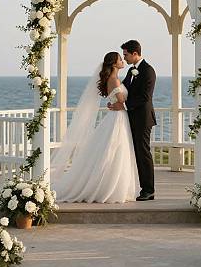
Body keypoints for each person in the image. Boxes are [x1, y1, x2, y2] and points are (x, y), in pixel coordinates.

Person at [51, 51, 139, 203]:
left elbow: (118, 101)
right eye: (120, 59)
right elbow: (122, 100)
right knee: (115, 151)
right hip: (117, 118)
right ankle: (108, 187)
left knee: (115, 151)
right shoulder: (114, 80)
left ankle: (114, 186)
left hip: (117, 116)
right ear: (114, 63)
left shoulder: (114, 79)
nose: (122, 60)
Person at [108, 40, 157, 201]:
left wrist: (123, 106)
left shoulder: (148, 71)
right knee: (135, 152)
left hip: (143, 119)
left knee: (143, 153)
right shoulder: (131, 71)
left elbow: (145, 97)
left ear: (135, 53)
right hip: (130, 118)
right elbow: (123, 90)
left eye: (126, 54)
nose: (125, 57)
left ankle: (148, 189)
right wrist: (115, 100)